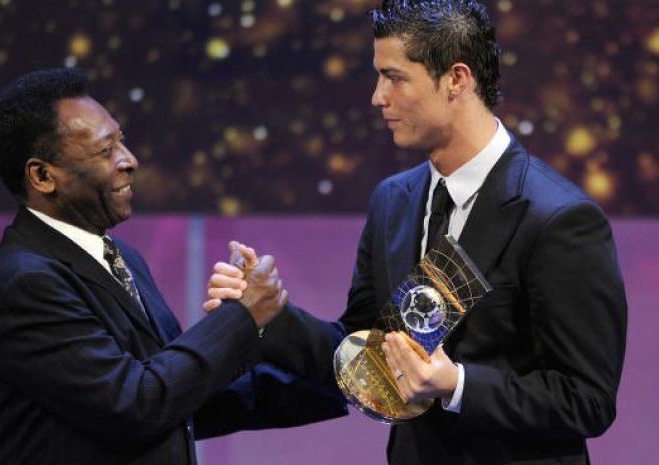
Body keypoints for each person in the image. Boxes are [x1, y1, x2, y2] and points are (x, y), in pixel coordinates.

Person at [205, 1, 628, 464]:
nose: (377, 97)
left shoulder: (558, 218)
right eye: (379, 76)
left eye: (395, 77)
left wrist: (457, 385)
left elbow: (586, 399)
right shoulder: (393, 200)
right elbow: (366, 357)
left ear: (457, 79)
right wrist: (268, 312)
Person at [0, 68, 345, 465]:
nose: (130, 160)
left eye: (121, 141)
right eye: (105, 151)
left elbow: (183, 395)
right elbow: (135, 406)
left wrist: (338, 382)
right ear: (43, 176)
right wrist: (241, 317)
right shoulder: (22, 282)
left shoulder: (122, 257)